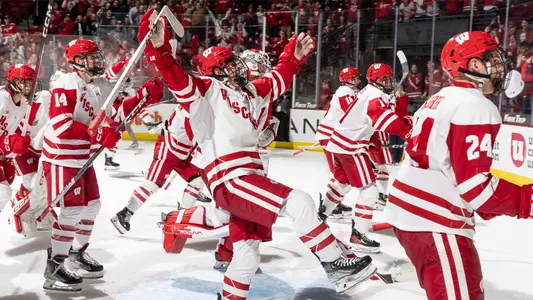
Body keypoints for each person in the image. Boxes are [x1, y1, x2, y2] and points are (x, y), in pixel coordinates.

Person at [138, 8, 376, 298]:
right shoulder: (207, 90)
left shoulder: (250, 91)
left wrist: (292, 58)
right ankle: (334, 263)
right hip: (230, 178)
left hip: (247, 176)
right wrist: (160, 51)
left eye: (235, 62)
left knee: (247, 256)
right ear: (214, 71)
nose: (237, 68)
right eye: (228, 64)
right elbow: (175, 77)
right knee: (299, 201)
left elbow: (277, 78)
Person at [386, 31, 528, 299]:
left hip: (411, 216)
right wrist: (526, 199)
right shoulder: (475, 106)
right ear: (474, 65)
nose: (498, 66)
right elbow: (477, 190)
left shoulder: (440, 97)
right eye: (491, 59)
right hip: (436, 222)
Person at [41, 39, 163, 292]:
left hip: (81, 155)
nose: (98, 61)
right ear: (76, 61)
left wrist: (143, 97)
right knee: (72, 211)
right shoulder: (67, 82)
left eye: (98, 57)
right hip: (61, 156)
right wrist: (97, 135)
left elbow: (115, 114)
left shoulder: (100, 85)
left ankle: (76, 253)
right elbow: (62, 126)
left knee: (92, 205)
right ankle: (54, 267)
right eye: (91, 57)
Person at [323, 62, 412, 253]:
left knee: (343, 183)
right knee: (369, 191)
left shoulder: (371, 92)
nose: (389, 82)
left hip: (341, 143)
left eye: (390, 78)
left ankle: (320, 216)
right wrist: (409, 130)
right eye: (385, 79)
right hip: (351, 147)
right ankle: (358, 236)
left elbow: (387, 116)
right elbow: (385, 121)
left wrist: (397, 102)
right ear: (375, 81)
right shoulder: (374, 95)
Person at [111, 104, 213, 234]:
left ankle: (181, 216)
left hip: (183, 151)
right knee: (152, 185)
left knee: (197, 180)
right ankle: (125, 213)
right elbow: (200, 139)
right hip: (168, 149)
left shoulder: (197, 106)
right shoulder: (190, 109)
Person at [315, 67, 362, 219]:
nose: (358, 80)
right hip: (331, 137)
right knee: (339, 174)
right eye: (355, 78)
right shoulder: (344, 91)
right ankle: (329, 204)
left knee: (340, 174)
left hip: (333, 136)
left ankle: (335, 202)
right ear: (348, 79)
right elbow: (352, 113)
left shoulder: (349, 92)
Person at [0, 65, 34, 212]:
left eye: (30, 82)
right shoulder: (1, 99)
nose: (28, 86)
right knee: (3, 192)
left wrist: (8, 155)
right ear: (13, 82)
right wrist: (9, 143)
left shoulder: (24, 106)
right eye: (24, 82)